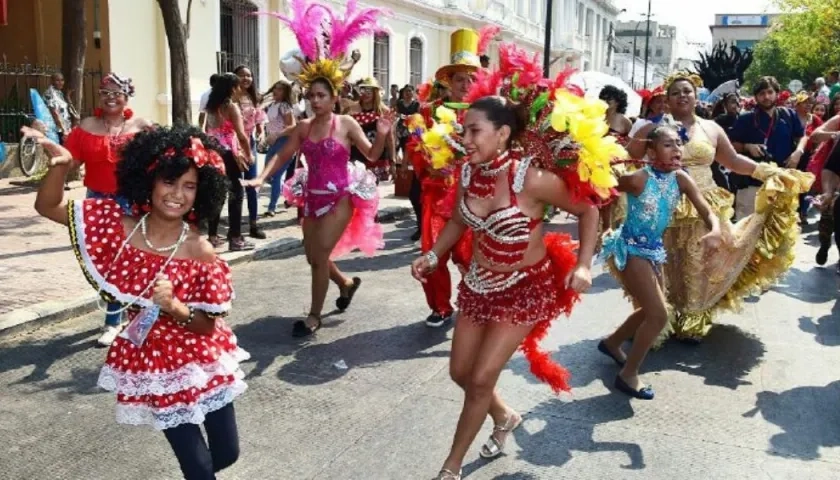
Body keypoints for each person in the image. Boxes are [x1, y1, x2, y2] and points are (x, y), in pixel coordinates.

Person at [411, 42, 623, 479]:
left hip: (525, 289)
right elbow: (456, 220)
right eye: (464, 130)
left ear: (503, 134)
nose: (463, 139)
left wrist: (585, 264)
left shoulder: (532, 179)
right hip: (479, 285)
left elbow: (587, 209)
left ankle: (450, 468)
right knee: (460, 373)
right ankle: (505, 416)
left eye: (474, 131)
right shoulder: (469, 171)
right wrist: (434, 254)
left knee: (481, 379)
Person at [31, 123, 248, 480]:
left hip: (204, 357)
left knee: (227, 453)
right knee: (198, 468)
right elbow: (48, 205)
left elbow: (207, 325)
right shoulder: (119, 227)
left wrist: (174, 306)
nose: (177, 194)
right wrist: (62, 164)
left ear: (201, 192)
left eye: (189, 186)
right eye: (169, 181)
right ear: (148, 179)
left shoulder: (200, 250)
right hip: (155, 363)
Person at [626, 71, 813, 344]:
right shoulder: (651, 129)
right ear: (666, 99)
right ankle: (655, 319)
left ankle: (692, 316)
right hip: (660, 203)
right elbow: (628, 158)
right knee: (658, 261)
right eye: (676, 92)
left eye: (687, 91)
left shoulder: (711, 128)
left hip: (704, 201)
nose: (682, 96)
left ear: (696, 96)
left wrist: (769, 173)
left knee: (698, 262)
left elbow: (735, 160)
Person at [244, 0, 391, 337]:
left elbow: (370, 154)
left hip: (340, 197)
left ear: (334, 96)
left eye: (321, 95)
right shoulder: (304, 127)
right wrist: (261, 178)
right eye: (311, 95)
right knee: (314, 258)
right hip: (310, 196)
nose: (314, 100)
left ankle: (314, 315)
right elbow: (282, 157)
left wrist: (382, 135)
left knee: (321, 253)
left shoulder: (346, 123)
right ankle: (347, 284)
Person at [599, 124, 723, 399]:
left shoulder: (681, 178)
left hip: (654, 250)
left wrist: (714, 229)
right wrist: (606, 225)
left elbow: (705, 209)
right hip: (631, 248)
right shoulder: (638, 179)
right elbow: (604, 189)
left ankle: (612, 343)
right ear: (652, 151)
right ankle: (628, 374)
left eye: (678, 143)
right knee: (659, 315)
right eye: (668, 145)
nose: (677, 149)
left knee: (651, 309)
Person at [59, 73, 154, 347]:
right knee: (104, 260)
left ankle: (115, 320)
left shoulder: (142, 126)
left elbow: (162, 157)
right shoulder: (86, 126)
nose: (111, 97)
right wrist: (54, 156)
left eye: (116, 92)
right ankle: (120, 308)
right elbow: (71, 162)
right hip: (96, 200)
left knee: (125, 260)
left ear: (127, 96)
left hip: (131, 200)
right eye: (105, 93)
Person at [405, 28, 483, 329]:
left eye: (471, 79)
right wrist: (427, 166)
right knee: (432, 255)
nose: (465, 85)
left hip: (473, 199)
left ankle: (473, 302)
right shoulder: (428, 113)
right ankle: (440, 307)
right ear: (448, 82)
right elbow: (414, 146)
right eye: (459, 79)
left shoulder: (484, 113)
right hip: (436, 196)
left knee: (469, 256)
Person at [730, 76, 805, 221]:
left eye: (770, 92)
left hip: (783, 180)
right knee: (748, 231)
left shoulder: (788, 115)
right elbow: (730, 145)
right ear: (756, 97)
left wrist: (798, 152)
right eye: (762, 93)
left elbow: (802, 136)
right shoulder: (746, 119)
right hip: (752, 182)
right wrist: (747, 146)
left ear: (777, 93)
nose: (766, 97)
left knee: (780, 230)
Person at [204, 72, 255, 252]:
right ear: (232, 88)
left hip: (212, 153)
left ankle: (212, 235)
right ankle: (235, 238)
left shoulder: (211, 106)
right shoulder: (231, 107)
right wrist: (249, 154)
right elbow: (241, 135)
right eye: (237, 86)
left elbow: (206, 130)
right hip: (229, 154)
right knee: (236, 195)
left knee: (217, 194)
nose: (240, 89)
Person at [233, 65, 267, 239]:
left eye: (249, 75)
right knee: (237, 187)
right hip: (234, 145)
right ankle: (236, 229)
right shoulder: (230, 98)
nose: (246, 78)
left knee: (252, 185)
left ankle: (254, 224)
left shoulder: (254, 98)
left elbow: (259, 119)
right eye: (242, 75)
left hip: (250, 144)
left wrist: (261, 133)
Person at [347, 77, 396, 182]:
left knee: (372, 190)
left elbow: (390, 138)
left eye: (369, 90)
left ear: (375, 93)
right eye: (363, 90)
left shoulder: (384, 111)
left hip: (378, 156)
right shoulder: (352, 109)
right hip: (356, 154)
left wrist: (393, 162)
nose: (365, 93)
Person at [261, 79, 297, 216]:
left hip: (285, 142)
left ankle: (272, 207)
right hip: (273, 142)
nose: (277, 91)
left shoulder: (284, 106)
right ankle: (289, 195)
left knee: (275, 176)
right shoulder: (272, 104)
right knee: (269, 175)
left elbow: (292, 126)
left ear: (286, 92)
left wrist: (276, 134)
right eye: (275, 88)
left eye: (280, 89)